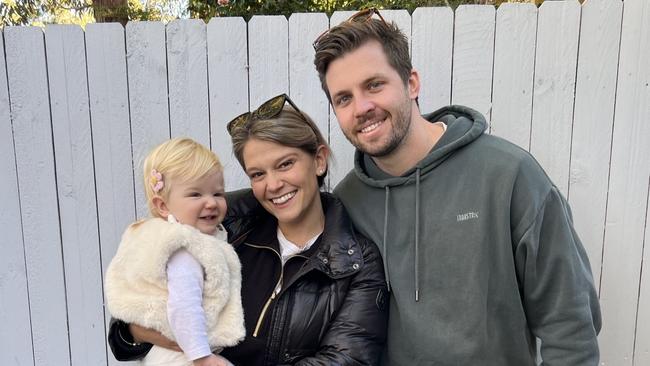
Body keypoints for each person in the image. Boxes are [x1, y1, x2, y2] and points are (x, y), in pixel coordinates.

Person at [313, 8, 602, 366]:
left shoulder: (508, 175)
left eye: (374, 85)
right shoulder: (346, 204)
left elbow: (571, 328)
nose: (362, 107)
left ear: (412, 83)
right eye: (344, 98)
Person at [108, 94, 388, 365]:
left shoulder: (355, 261)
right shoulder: (226, 225)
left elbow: (345, 359)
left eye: (285, 164)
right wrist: (140, 331)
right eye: (258, 174)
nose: (273, 184)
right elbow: (129, 319)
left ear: (318, 160)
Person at [105, 138, 245, 366]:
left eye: (218, 193)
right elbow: (184, 306)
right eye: (195, 195)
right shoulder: (184, 250)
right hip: (184, 353)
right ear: (163, 205)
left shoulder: (168, 238)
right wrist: (201, 356)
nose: (211, 203)